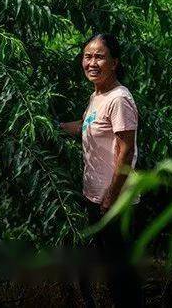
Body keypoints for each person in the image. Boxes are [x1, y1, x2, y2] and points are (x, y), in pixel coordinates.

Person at [59, 33, 143, 307]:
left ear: (114, 62)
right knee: (107, 269)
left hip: (115, 201)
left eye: (99, 56)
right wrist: (43, 126)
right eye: (87, 56)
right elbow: (82, 125)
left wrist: (111, 196)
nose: (91, 62)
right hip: (96, 197)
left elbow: (126, 150)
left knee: (121, 275)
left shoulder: (119, 99)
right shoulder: (97, 95)